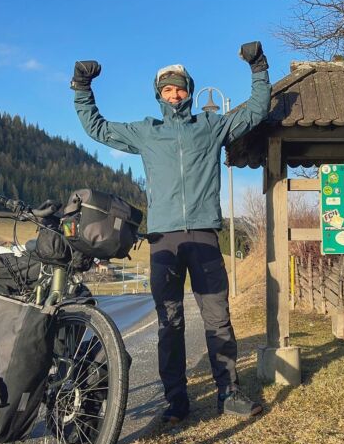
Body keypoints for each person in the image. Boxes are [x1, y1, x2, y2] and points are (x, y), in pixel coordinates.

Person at [71, 42, 271, 422]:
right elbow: (96, 128)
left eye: (179, 87)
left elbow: (257, 110)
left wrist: (258, 67)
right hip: (163, 240)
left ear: (189, 91)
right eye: (167, 89)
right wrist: (82, 88)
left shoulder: (211, 126)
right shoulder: (147, 132)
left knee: (218, 319)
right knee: (169, 323)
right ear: (159, 95)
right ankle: (176, 402)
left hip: (204, 236)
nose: (174, 93)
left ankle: (229, 393)